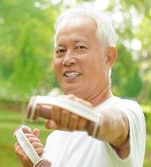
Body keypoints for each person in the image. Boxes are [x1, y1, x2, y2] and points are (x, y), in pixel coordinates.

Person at [14, 6, 146, 167]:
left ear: (108, 57)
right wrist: (35, 164)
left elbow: (115, 124)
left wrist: (89, 121)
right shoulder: (54, 139)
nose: (67, 59)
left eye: (80, 47)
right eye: (60, 51)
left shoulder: (128, 110)